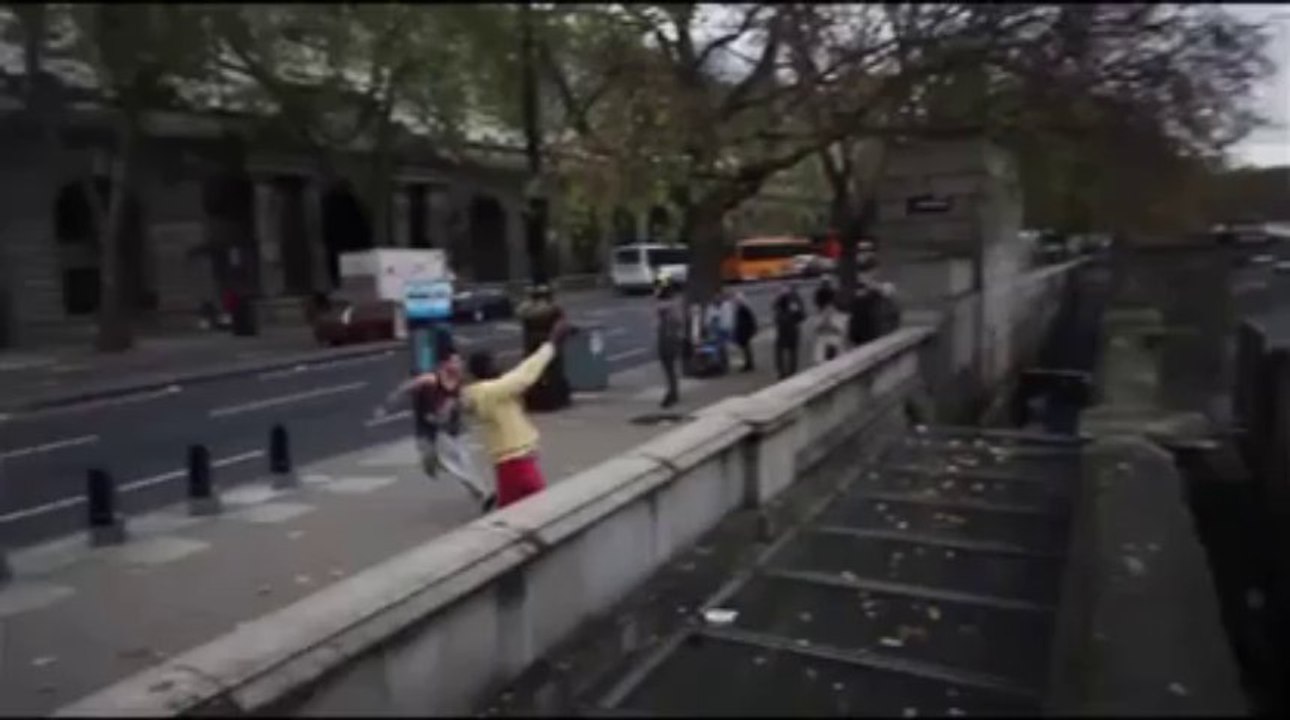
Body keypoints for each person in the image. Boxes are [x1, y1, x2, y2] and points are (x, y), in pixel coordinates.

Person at [385, 319, 573, 511]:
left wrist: (447, 412)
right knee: (541, 512)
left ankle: (479, 493)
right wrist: (552, 342)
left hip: (507, 462)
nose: (498, 363)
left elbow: (458, 402)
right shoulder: (491, 391)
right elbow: (524, 375)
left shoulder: (475, 391)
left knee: (510, 511)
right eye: (493, 362)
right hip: (516, 463)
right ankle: (457, 478)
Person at [375, 331, 496, 513]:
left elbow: (465, 404)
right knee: (432, 461)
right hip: (426, 431)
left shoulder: (460, 382)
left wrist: (462, 409)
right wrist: (386, 406)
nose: (459, 364)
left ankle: (482, 493)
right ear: (444, 364)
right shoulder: (430, 380)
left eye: (460, 361)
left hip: (449, 430)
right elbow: (404, 389)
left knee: (461, 460)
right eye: (455, 361)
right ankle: (433, 465)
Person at [655, 278, 683, 407]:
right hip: (672, 339)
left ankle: (672, 393)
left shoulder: (663, 307)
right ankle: (674, 392)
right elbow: (679, 322)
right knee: (671, 369)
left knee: (668, 368)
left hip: (666, 340)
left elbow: (658, 324)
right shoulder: (675, 305)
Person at [772, 283, 806, 379]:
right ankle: (789, 371)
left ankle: (786, 372)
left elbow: (801, 315)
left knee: (786, 350)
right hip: (788, 328)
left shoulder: (793, 301)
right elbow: (801, 315)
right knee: (790, 351)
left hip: (788, 328)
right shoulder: (793, 300)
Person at [812, 284, 846, 365]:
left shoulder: (833, 313)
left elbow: (839, 330)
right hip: (827, 350)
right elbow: (817, 330)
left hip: (829, 350)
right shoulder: (821, 315)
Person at [732, 292, 758, 372]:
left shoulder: (744, 309)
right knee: (745, 349)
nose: (736, 302)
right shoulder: (739, 309)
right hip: (742, 332)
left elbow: (751, 320)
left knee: (746, 348)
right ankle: (748, 363)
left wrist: (752, 330)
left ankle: (749, 364)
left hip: (745, 332)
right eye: (736, 300)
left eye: (737, 300)